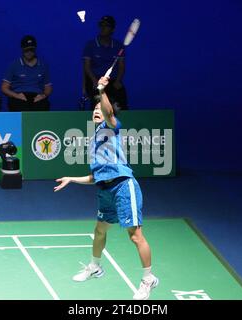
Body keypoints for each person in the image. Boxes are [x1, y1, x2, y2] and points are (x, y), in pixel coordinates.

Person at [54, 77, 158, 300]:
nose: (96, 111)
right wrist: (72, 179)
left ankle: (148, 279)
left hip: (123, 186)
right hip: (105, 190)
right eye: (94, 109)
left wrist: (101, 90)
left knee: (135, 236)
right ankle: (95, 266)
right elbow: (95, 177)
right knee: (99, 231)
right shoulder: (94, 142)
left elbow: (109, 111)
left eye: (99, 108)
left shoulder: (112, 127)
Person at [82, 16, 128, 110]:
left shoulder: (118, 46)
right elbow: (87, 67)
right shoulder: (90, 45)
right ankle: (92, 125)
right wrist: (94, 81)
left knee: (121, 105)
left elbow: (121, 66)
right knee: (97, 106)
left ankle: (121, 123)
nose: (103, 28)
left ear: (112, 29)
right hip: (95, 80)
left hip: (113, 81)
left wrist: (118, 81)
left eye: (106, 26)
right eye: (101, 25)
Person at [2, 35, 52, 111]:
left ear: (35, 49)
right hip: (19, 96)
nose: (29, 52)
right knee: (19, 106)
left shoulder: (43, 66)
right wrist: (16, 95)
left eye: (31, 50)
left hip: (37, 97)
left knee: (43, 105)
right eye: (26, 50)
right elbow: (4, 88)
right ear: (22, 50)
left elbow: (48, 88)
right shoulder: (14, 65)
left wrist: (43, 95)